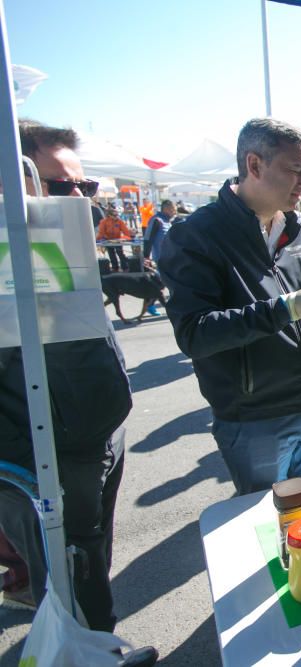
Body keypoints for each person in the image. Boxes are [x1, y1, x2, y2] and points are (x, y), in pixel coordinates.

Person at [0, 121, 153, 661]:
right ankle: (88, 653)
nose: (81, 202)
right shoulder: (9, 258)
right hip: (45, 458)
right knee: (68, 580)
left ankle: (97, 647)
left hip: (99, 436)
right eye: (64, 187)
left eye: (85, 188)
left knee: (92, 563)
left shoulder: (63, 251)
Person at [159, 118, 301, 495]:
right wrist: (288, 308)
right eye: (297, 171)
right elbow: (195, 333)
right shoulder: (196, 235)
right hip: (254, 420)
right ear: (254, 165)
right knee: (265, 529)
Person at [96, 204, 133, 272]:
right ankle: (115, 267)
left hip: (118, 240)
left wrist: (123, 238)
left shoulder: (120, 222)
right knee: (111, 254)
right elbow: (101, 233)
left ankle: (125, 267)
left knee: (120, 253)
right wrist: (97, 240)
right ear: (109, 215)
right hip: (108, 240)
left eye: (117, 215)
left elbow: (126, 232)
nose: (116, 217)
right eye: (114, 215)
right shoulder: (104, 222)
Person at [143, 199, 176, 265]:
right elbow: (148, 238)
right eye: (173, 210)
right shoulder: (156, 220)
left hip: (170, 259)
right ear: (166, 209)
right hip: (161, 260)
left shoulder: (167, 222)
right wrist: (146, 256)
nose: (174, 212)